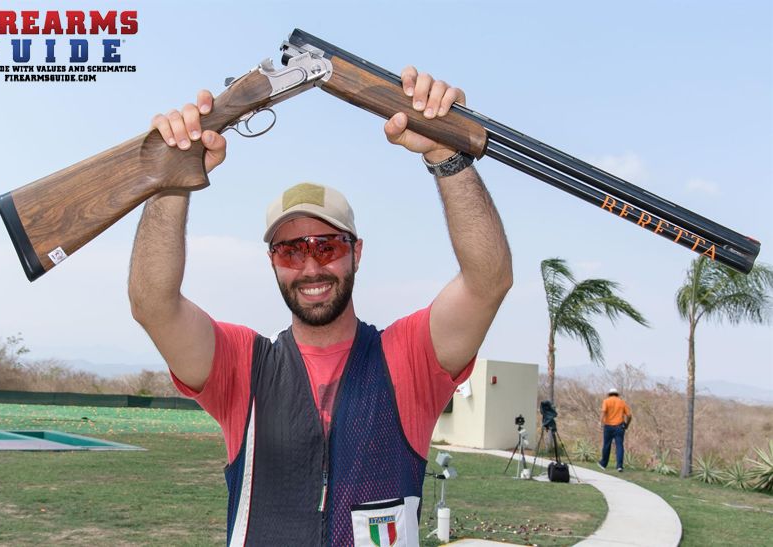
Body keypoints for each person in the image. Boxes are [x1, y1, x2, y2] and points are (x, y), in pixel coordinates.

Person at [128, 66, 513, 546]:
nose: (310, 267)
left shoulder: (407, 357)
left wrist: (448, 156)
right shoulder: (243, 365)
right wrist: (170, 184)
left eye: (326, 246)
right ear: (273, 262)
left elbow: (487, 281)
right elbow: (153, 304)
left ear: (357, 252)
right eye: (290, 250)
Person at [597, 387, 632, 472]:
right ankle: (619, 466)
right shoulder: (622, 402)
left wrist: (600, 422)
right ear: (617, 394)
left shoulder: (606, 401)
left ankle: (603, 464)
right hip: (619, 427)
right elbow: (629, 415)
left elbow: (604, 412)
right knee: (619, 446)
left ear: (609, 394)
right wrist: (627, 425)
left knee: (606, 445)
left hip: (608, 426)